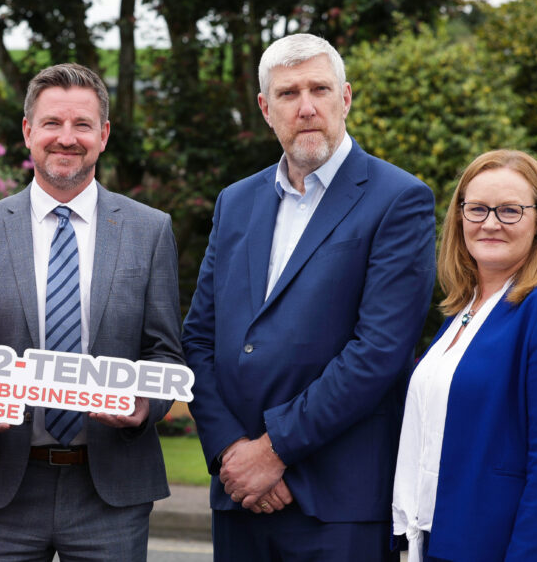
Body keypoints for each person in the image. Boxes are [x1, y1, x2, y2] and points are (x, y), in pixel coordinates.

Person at [180, 33, 436, 561]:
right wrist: (233, 453)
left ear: (345, 97)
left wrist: (273, 452)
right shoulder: (236, 202)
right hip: (240, 498)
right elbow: (200, 339)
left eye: (319, 89)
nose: (306, 107)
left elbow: (379, 351)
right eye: (289, 93)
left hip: (337, 501)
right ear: (265, 108)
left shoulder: (398, 200)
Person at [0, 62, 184, 561]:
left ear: (104, 135)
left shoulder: (150, 230)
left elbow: (165, 352)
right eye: (52, 123)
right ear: (29, 131)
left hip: (111, 494)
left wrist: (144, 406)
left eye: (82, 125)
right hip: (3, 491)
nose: (66, 138)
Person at [391, 150, 537, 561]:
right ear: (459, 217)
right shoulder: (462, 312)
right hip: (446, 541)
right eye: (476, 209)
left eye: (510, 210)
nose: (490, 223)